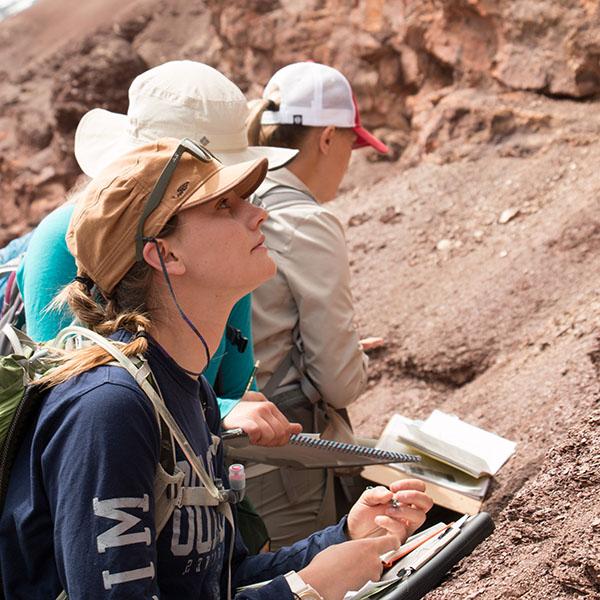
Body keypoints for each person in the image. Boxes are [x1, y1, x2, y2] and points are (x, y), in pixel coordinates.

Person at [0, 138, 432, 599]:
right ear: (165, 255)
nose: (257, 214)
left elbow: (219, 579)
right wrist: (306, 589)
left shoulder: (190, 391)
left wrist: (342, 537)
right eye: (224, 206)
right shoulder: (107, 409)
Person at [16, 60, 299, 447]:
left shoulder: (220, 253)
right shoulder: (61, 241)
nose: (253, 212)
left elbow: (235, 385)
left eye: (240, 194)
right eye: (220, 200)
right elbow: (64, 401)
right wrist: (223, 408)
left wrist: (226, 406)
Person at [244, 62, 390, 548]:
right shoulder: (306, 221)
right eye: (352, 142)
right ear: (328, 137)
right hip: (287, 464)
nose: (351, 158)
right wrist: (354, 356)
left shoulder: (237, 200)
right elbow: (338, 380)